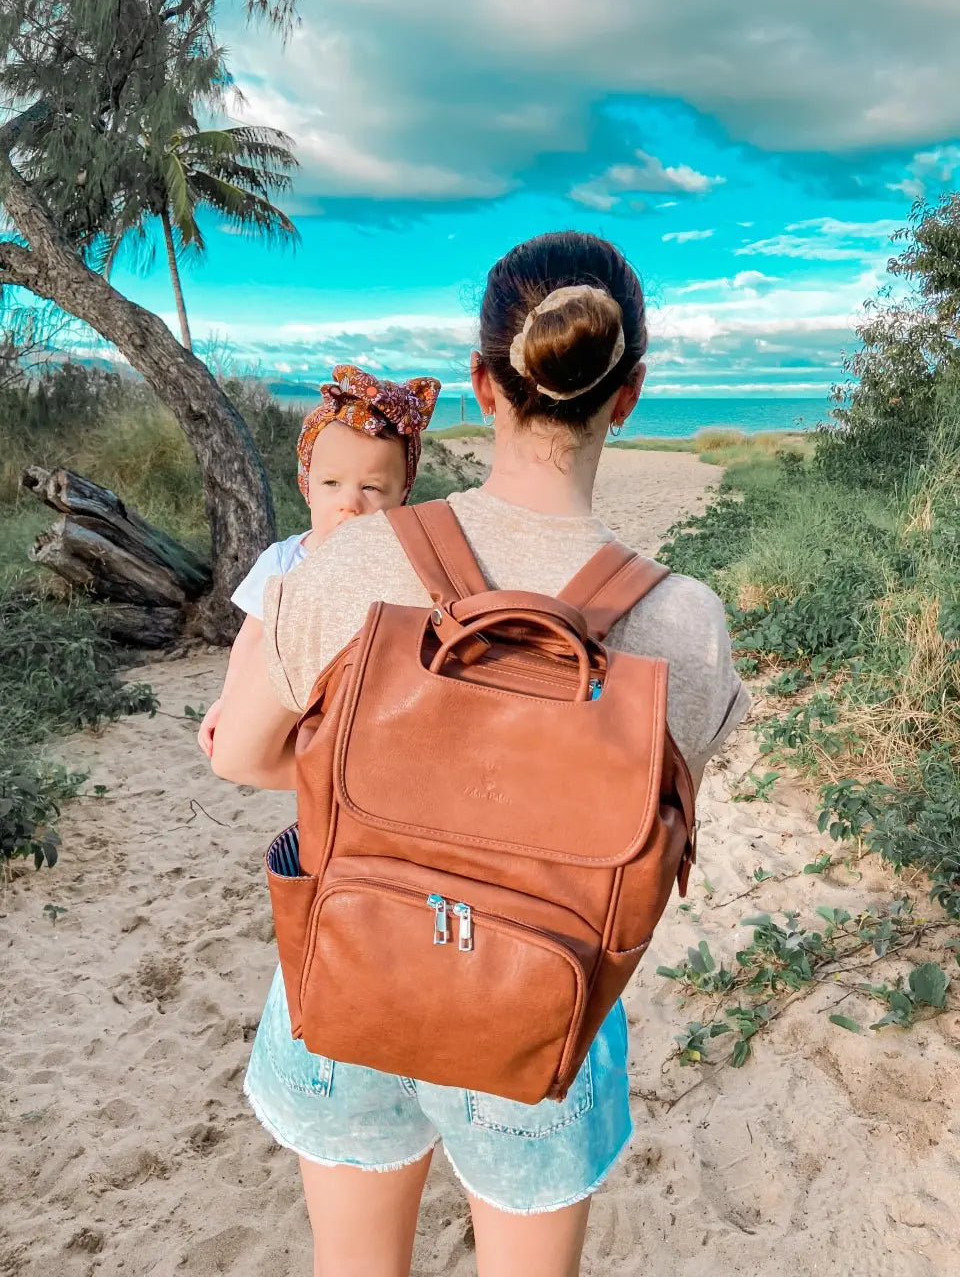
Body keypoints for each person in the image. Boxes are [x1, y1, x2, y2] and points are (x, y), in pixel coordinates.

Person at [211, 231, 750, 1277]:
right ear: (629, 394)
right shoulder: (687, 623)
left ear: (480, 382)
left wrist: (369, 769)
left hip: (349, 975)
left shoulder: (351, 557)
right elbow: (643, 834)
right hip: (542, 1016)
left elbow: (239, 752)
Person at [197, 364, 439, 757]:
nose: (349, 504)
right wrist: (230, 701)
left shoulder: (403, 563)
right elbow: (251, 641)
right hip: (293, 720)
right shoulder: (285, 561)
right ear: (306, 487)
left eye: (372, 488)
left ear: (402, 496)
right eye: (332, 484)